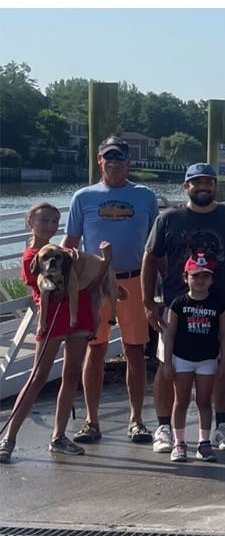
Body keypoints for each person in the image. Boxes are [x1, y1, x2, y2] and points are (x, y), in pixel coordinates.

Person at [142, 162, 225, 454]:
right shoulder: (169, 219)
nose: (203, 187)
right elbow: (150, 259)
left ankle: (222, 426)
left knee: (224, 365)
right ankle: (164, 426)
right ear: (186, 187)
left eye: (208, 182)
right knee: (167, 368)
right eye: (196, 183)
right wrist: (147, 302)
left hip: (223, 305)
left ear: (215, 186)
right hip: (177, 307)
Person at [63, 135, 158, 445]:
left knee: (135, 350)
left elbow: (158, 246)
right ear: (99, 160)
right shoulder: (83, 197)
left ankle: (137, 420)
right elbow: (70, 245)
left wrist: (163, 287)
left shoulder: (145, 196)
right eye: (109, 157)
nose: (115, 163)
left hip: (135, 280)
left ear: (129, 162)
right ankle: (91, 421)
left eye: (121, 158)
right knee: (96, 349)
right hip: (96, 282)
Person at [0, 203, 93, 463]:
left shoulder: (64, 253)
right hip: (51, 320)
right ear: (31, 221)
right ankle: (8, 437)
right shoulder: (33, 256)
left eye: (54, 221)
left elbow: (83, 281)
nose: (50, 226)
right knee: (38, 376)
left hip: (78, 315)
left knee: (71, 374)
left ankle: (59, 435)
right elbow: (45, 286)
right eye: (44, 220)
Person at [158, 254, 225, 463]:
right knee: (181, 401)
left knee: (204, 401)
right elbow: (170, 334)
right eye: (195, 276)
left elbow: (224, 335)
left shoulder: (219, 305)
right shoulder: (178, 304)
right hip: (182, 358)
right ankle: (179, 443)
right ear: (186, 277)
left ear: (212, 279)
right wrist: (168, 362)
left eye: (205, 277)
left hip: (207, 359)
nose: (200, 281)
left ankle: (204, 442)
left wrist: (224, 361)